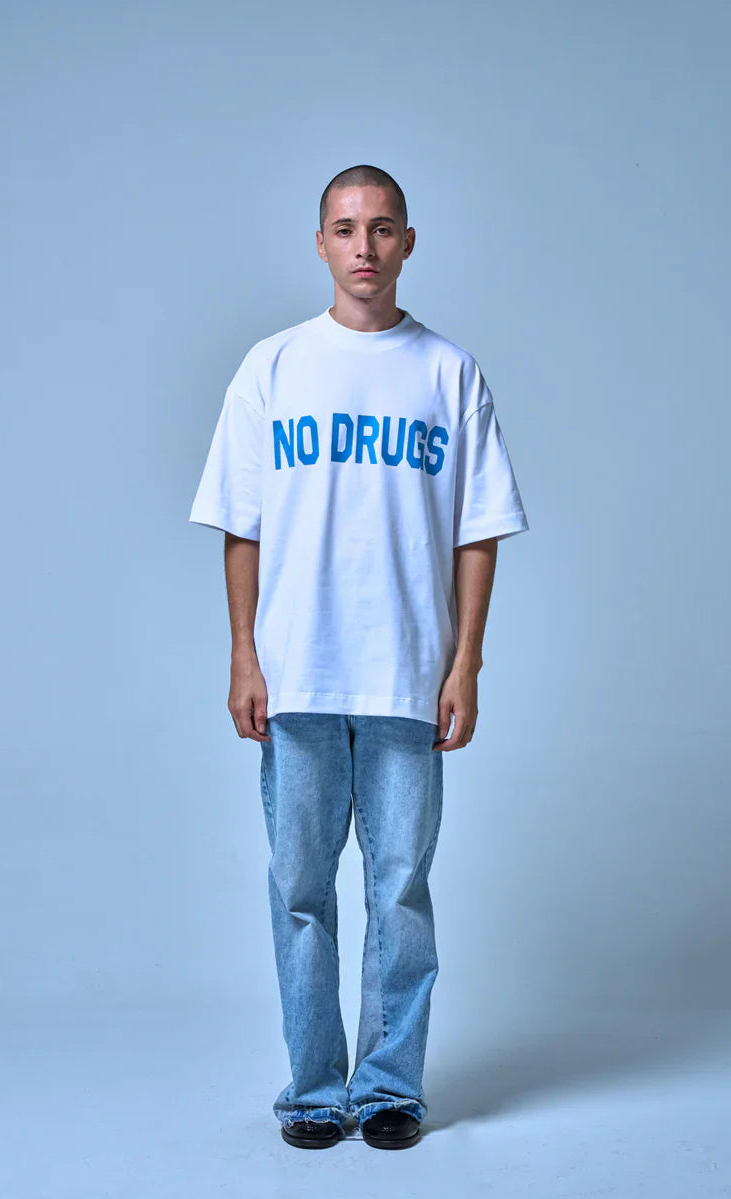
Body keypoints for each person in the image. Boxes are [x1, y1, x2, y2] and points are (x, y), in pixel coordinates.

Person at [188, 164, 529, 1150]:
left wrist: (465, 664)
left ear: (407, 242)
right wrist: (242, 655)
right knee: (299, 889)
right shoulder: (272, 367)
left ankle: (386, 1087)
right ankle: (311, 1088)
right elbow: (242, 525)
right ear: (320, 243)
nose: (364, 246)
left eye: (382, 228)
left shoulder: (447, 373)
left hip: (407, 674)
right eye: (345, 228)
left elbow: (477, 531)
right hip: (296, 671)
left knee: (398, 890)